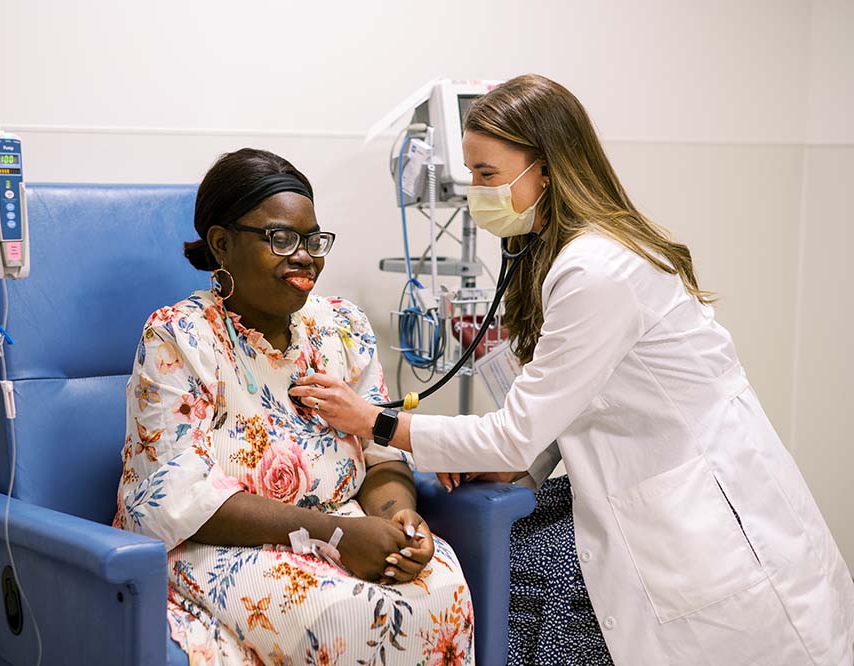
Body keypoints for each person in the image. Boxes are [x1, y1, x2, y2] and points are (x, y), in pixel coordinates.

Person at [293, 74, 854, 665]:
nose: (476, 193)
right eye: (472, 174)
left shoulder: (596, 271)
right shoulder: (561, 255)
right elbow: (567, 407)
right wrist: (514, 469)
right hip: (649, 495)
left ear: (546, 171)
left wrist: (374, 423)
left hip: (705, 524)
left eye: (488, 176)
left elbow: (518, 427)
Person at [113, 148, 475, 664]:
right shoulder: (180, 336)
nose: (304, 256)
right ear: (222, 245)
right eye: (280, 238)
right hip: (226, 546)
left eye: (312, 240)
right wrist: (338, 535)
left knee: (444, 586)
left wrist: (401, 523)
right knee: (348, 615)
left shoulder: (342, 327)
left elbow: (380, 456)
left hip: (348, 526)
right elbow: (177, 497)